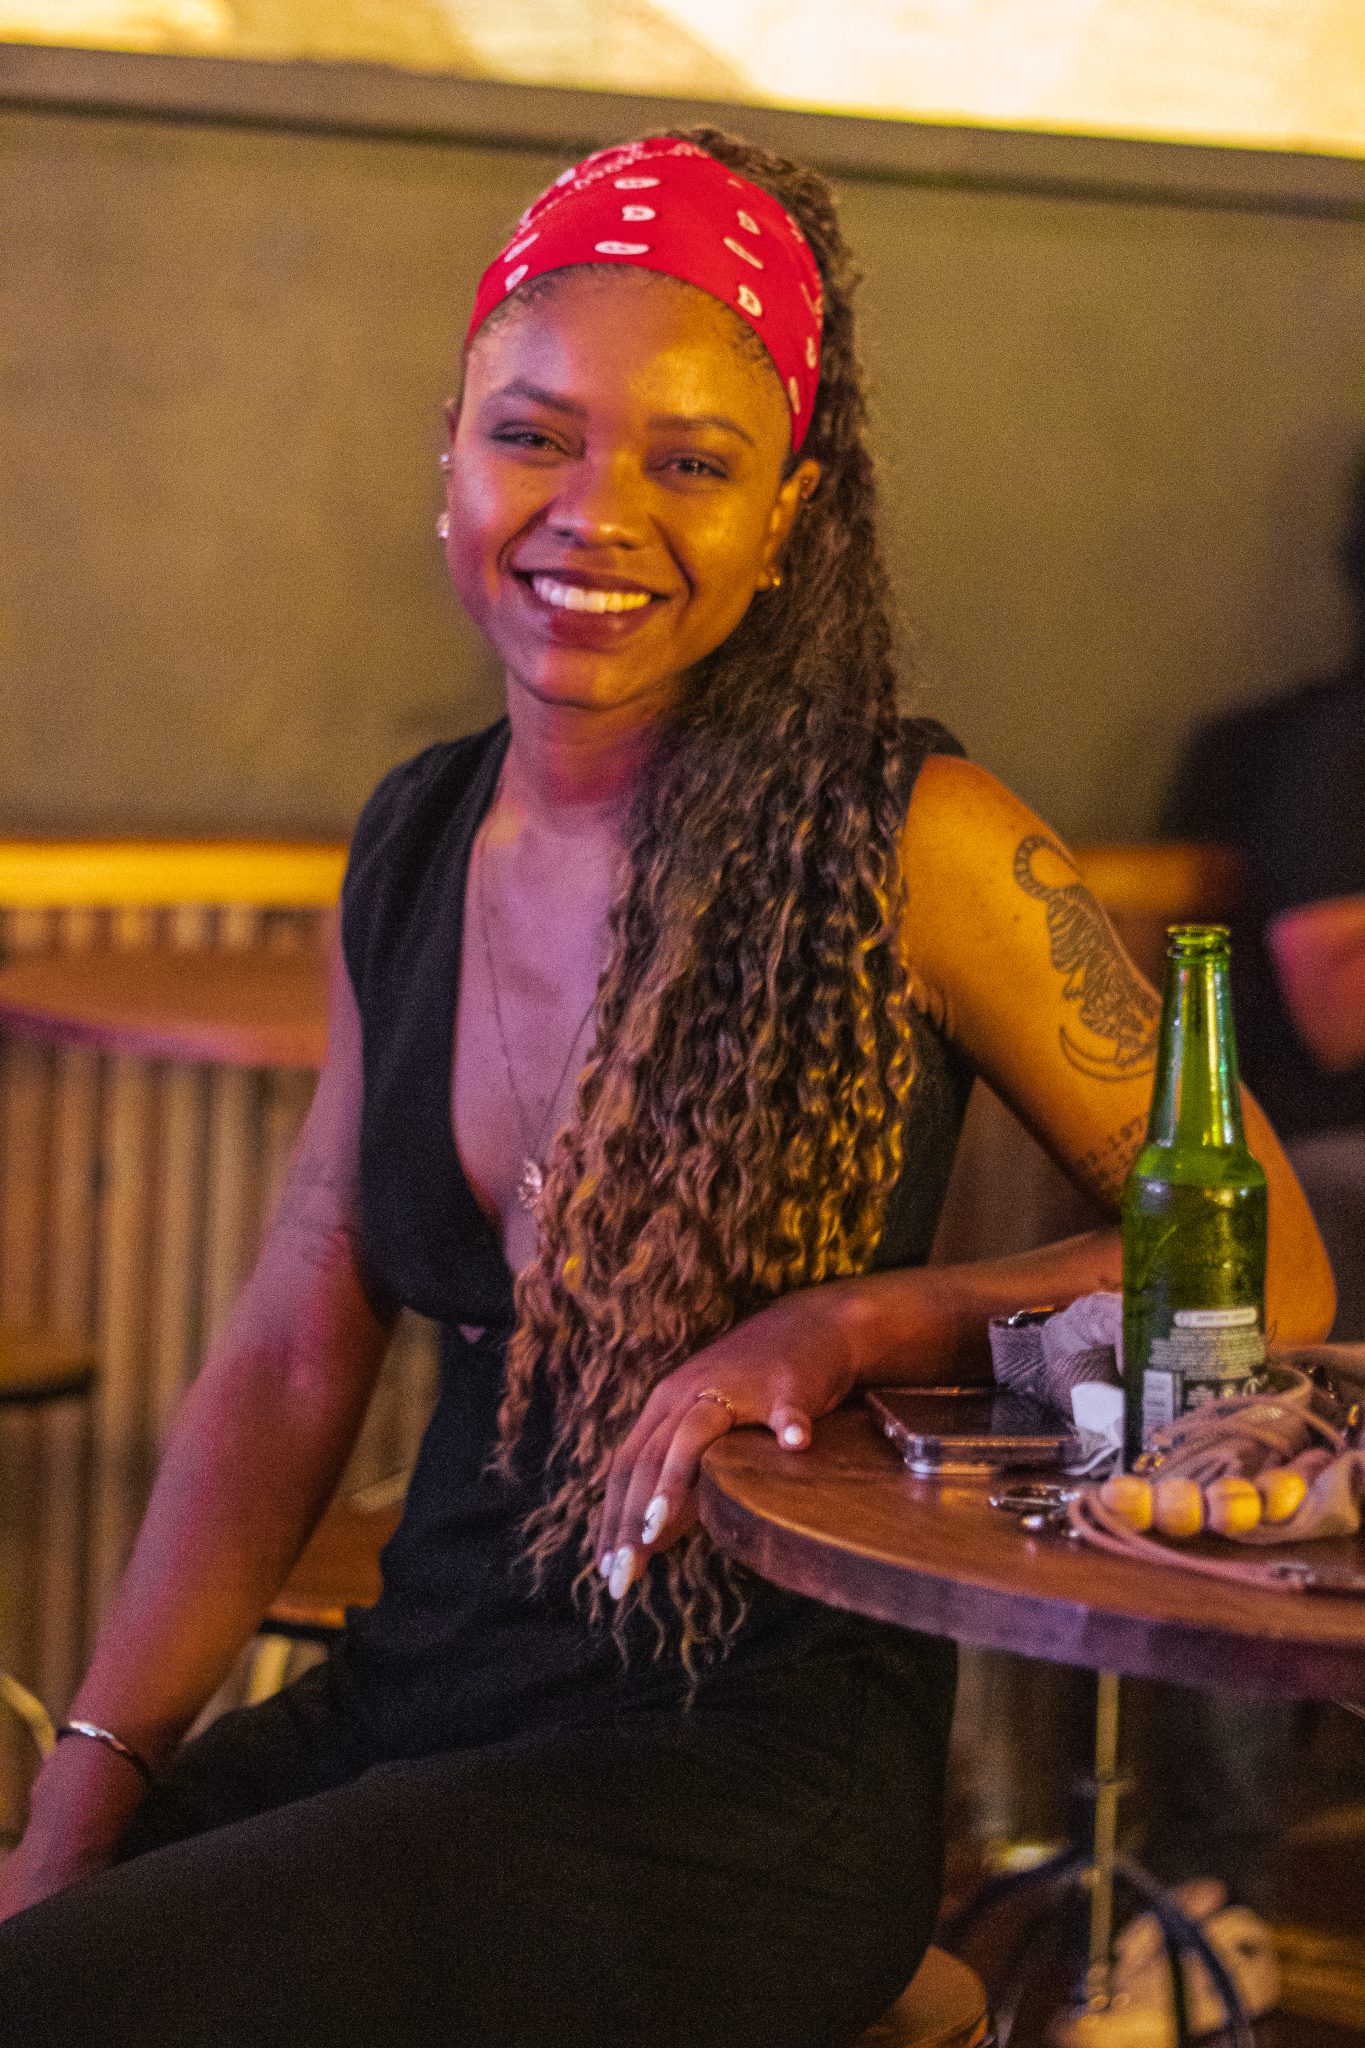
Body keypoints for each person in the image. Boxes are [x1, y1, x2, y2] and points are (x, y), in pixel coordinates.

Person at [0, 131, 1333, 2047]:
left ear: (787, 514)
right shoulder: (415, 839)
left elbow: (1266, 1260)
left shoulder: (913, 839)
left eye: (690, 463)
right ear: (450, 458)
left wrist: (853, 1322)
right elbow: (291, 1351)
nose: (593, 512)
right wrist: (87, 1788)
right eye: (531, 436)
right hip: (418, 1702)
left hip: (734, 1782)